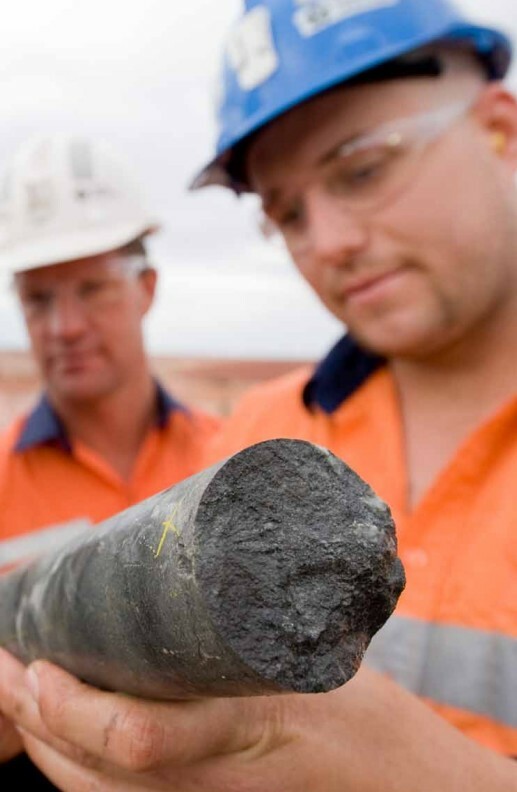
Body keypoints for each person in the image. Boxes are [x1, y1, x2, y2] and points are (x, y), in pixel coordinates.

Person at [0, 0, 516, 789]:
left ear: (498, 128)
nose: (329, 242)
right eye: (287, 213)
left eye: (362, 169)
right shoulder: (253, 434)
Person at [0, 133, 221, 785]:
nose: (64, 326)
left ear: (146, 288)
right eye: (38, 299)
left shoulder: (222, 459)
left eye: (91, 289)